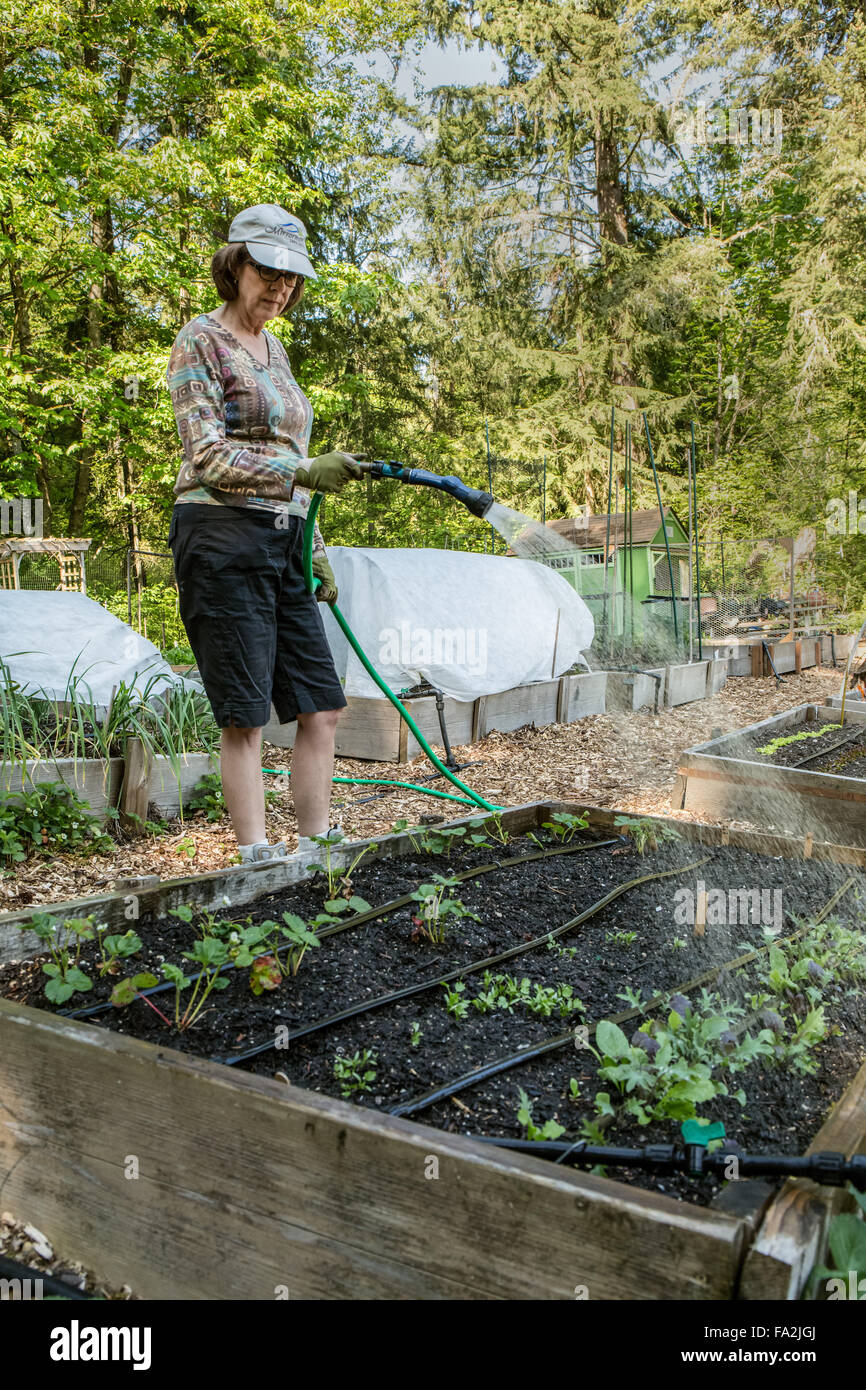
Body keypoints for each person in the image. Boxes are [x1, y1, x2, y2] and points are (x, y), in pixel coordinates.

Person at [166, 204, 363, 863]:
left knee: (321, 704)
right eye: (269, 271)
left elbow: (300, 473)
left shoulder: (276, 351)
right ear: (237, 265)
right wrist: (303, 469)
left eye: (291, 278)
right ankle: (256, 856)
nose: (281, 287)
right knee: (246, 714)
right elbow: (208, 456)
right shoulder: (202, 340)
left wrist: (317, 548)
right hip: (221, 534)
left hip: (284, 538)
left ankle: (316, 844)